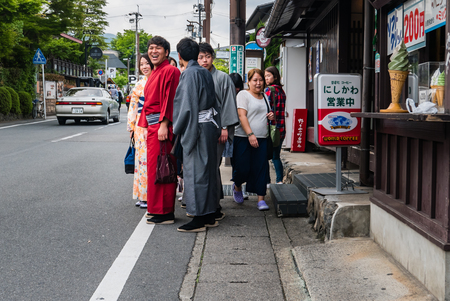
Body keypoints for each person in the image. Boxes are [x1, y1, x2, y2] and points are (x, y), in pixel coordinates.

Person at [173, 38, 221, 232]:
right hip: (209, 125)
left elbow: (186, 107)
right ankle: (210, 214)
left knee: (195, 173)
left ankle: (199, 218)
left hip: (197, 127)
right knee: (208, 171)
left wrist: (177, 129)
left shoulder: (189, 74)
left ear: (180, 56)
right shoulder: (205, 72)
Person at [137, 36, 181, 225]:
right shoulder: (155, 72)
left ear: (166, 52)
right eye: (151, 48)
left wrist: (164, 124)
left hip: (163, 126)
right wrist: (145, 125)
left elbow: (170, 99)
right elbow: (148, 102)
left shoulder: (170, 71)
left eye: (158, 48)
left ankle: (165, 213)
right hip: (153, 126)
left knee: (164, 166)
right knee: (155, 169)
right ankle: (156, 209)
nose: (153, 51)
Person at [198, 42, 239, 221]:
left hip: (217, 127)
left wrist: (224, 128)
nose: (204, 60)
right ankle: (211, 202)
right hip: (199, 129)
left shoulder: (222, 78)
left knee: (212, 165)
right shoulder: (195, 76)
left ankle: (213, 205)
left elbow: (229, 104)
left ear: (212, 57)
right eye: (200, 57)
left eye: (207, 56)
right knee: (205, 167)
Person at [232, 68, 275, 211]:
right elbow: (241, 116)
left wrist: (271, 116)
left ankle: (261, 199)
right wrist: (250, 135)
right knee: (242, 168)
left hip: (262, 138)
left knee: (261, 168)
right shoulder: (243, 95)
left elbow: (265, 114)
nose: (258, 83)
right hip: (244, 137)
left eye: (261, 80)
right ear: (248, 81)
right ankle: (237, 186)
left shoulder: (265, 96)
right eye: (255, 80)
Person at [127, 53, 154, 208]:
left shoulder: (157, 80)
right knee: (141, 161)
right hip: (139, 125)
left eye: (146, 63)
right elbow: (133, 107)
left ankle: (150, 195)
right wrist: (131, 127)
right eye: (141, 64)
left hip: (153, 123)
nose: (144, 67)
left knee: (151, 160)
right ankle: (142, 195)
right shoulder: (139, 84)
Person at [264, 66, 286, 184]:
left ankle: (267, 181)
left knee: (266, 157)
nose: (266, 78)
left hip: (271, 129)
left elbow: (266, 110)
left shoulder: (269, 90)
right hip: (281, 129)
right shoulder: (282, 91)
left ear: (275, 77)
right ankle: (279, 181)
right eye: (265, 76)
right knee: (276, 156)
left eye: (268, 76)